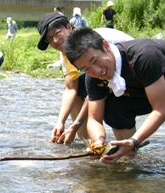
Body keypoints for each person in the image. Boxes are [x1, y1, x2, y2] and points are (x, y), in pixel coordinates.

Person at [64, 27, 165, 164]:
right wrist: (99, 142)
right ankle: (128, 159)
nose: (97, 71)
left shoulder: (143, 56)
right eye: (86, 69)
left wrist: (134, 141)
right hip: (146, 91)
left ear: (106, 46)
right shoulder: (92, 78)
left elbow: (161, 108)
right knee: (113, 107)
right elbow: (94, 119)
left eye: (95, 61)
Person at [37, 12, 134, 145]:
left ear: (69, 26)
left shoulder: (92, 41)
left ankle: (126, 149)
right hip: (107, 75)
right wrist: (60, 122)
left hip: (134, 71)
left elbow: (95, 87)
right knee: (77, 91)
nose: (54, 41)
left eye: (57, 33)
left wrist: (74, 125)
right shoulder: (66, 53)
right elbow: (70, 89)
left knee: (114, 108)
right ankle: (85, 141)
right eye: (49, 39)